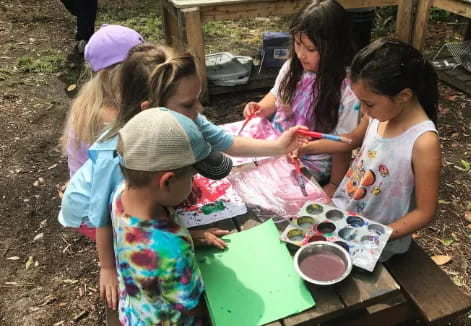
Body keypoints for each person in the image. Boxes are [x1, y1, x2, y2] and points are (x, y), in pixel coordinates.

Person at [58, 42, 308, 310]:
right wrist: (108, 267)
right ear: (151, 108)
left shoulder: (185, 116)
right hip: (89, 212)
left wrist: (280, 146)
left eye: (198, 98)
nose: (199, 109)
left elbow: (227, 142)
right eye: (189, 103)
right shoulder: (116, 155)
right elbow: (107, 217)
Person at [298, 38, 441, 261]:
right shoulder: (379, 112)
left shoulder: (423, 142)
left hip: (377, 236)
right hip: (345, 212)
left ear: (403, 96)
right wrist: (307, 148)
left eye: (369, 104)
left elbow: (425, 212)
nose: (363, 109)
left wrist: (374, 235)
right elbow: (352, 140)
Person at [113, 108, 229, 325]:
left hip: (135, 309)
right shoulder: (173, 249)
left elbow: (145, 246)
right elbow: (192, 307)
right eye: (193, 177)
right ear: (167, 181)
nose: (195, 184)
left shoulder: (121, 194)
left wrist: (191, 235)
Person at [243, 0, 361, 197]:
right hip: (277, 143)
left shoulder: (347, 89)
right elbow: (276, 95)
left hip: (312, 160)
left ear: (335, 48)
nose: (301, 54)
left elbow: (344, 142)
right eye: (297, 44)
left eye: (310, 49)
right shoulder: (292, 67)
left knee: (273, 196)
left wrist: (334, 185)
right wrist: (260, 108)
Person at [61, 24, 144, 178]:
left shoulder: (92, 98)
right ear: (109, 74)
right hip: (102, 197)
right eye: (136, 68)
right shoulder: (107, 116)